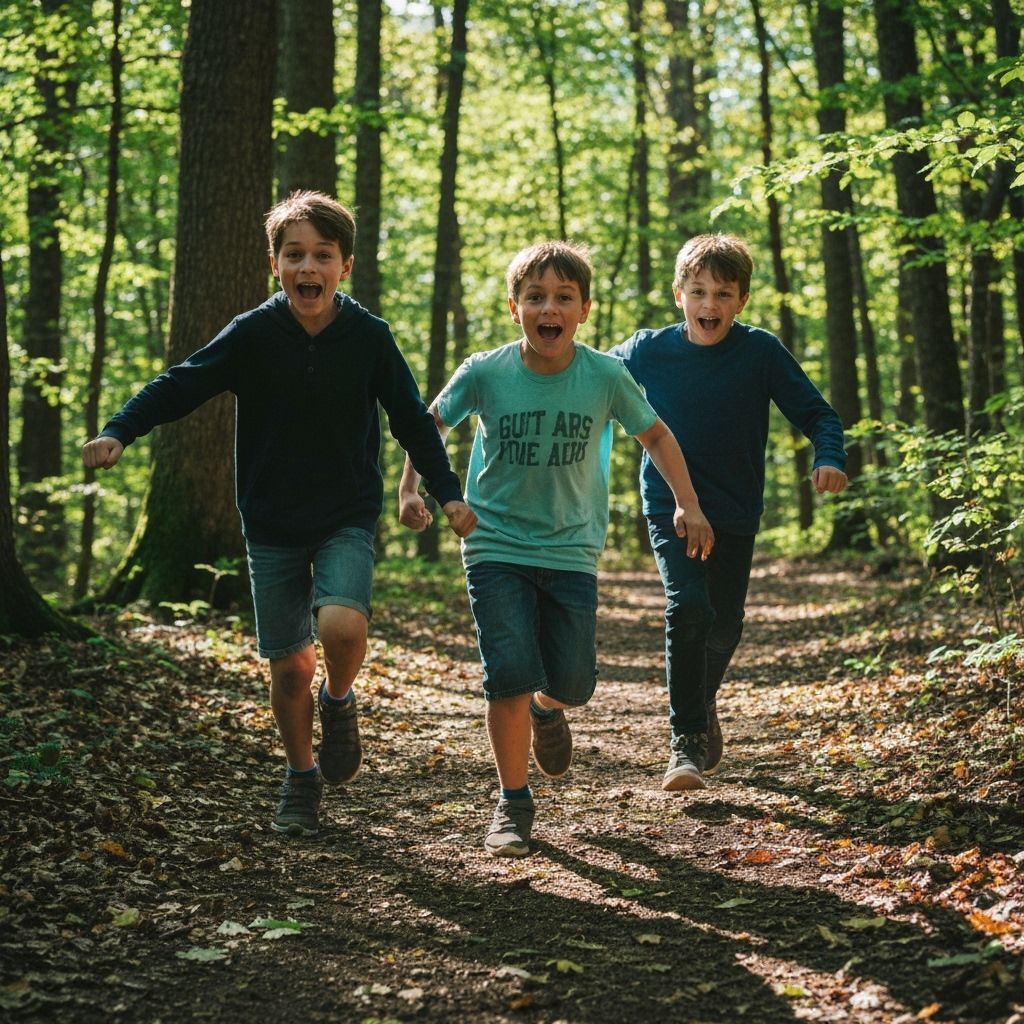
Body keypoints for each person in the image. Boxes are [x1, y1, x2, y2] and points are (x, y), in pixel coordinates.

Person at [82, 190, 476, 838]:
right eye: (295, 254)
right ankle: (301, 775)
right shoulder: (253, 334)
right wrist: (120, 430)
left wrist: (448, 492)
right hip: (269, 521)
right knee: (289, 663)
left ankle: (340, 700)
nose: (307, 267)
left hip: (345, 511)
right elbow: (181, 384)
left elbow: (411, 419)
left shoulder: (369, 338)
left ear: (344, 266)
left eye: (322, 255)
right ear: (275, 264)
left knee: (342, 626)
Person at [398, 240, 713, 857]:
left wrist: (688, 503)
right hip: (493, 543)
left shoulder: (604, 375)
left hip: (571, 548)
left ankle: (550, 708)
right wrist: (411, 489)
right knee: (508, 671)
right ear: (514, 307)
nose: (550, 307)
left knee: (572, 681)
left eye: (563, 298)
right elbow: (426, 424)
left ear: (584, 309)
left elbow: (656, 434)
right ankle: (512, 802)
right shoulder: (485, 371)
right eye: (535, 297)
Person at [608, 232, 848, 792]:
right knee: (688, 607)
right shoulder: (647, 350)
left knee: (725, 623)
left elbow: (819, 414)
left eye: (722, 293)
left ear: (741, 300)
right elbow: (585, 373)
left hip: (736, 509)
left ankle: (699, 699)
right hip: (671, 506)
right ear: (678, 295)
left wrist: (829, 456)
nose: (709, 305)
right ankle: (685, 742)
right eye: (698, 291)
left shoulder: (759, 352)